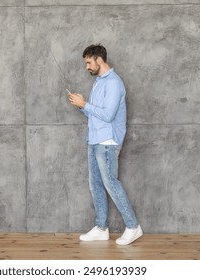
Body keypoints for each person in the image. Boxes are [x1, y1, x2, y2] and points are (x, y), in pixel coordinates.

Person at [67, 44, 143, 245]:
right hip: (94, 140)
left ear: (99, 60)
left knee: (111, 183)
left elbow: (108, 116)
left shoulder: (114, 83)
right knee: (96, 185)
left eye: (89, 62)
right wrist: (82, 105)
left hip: (108, 141)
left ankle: (133, 226)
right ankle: (101, 228)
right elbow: (96, 113)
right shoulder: (99, 82)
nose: (87, 67)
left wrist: (85, 105)